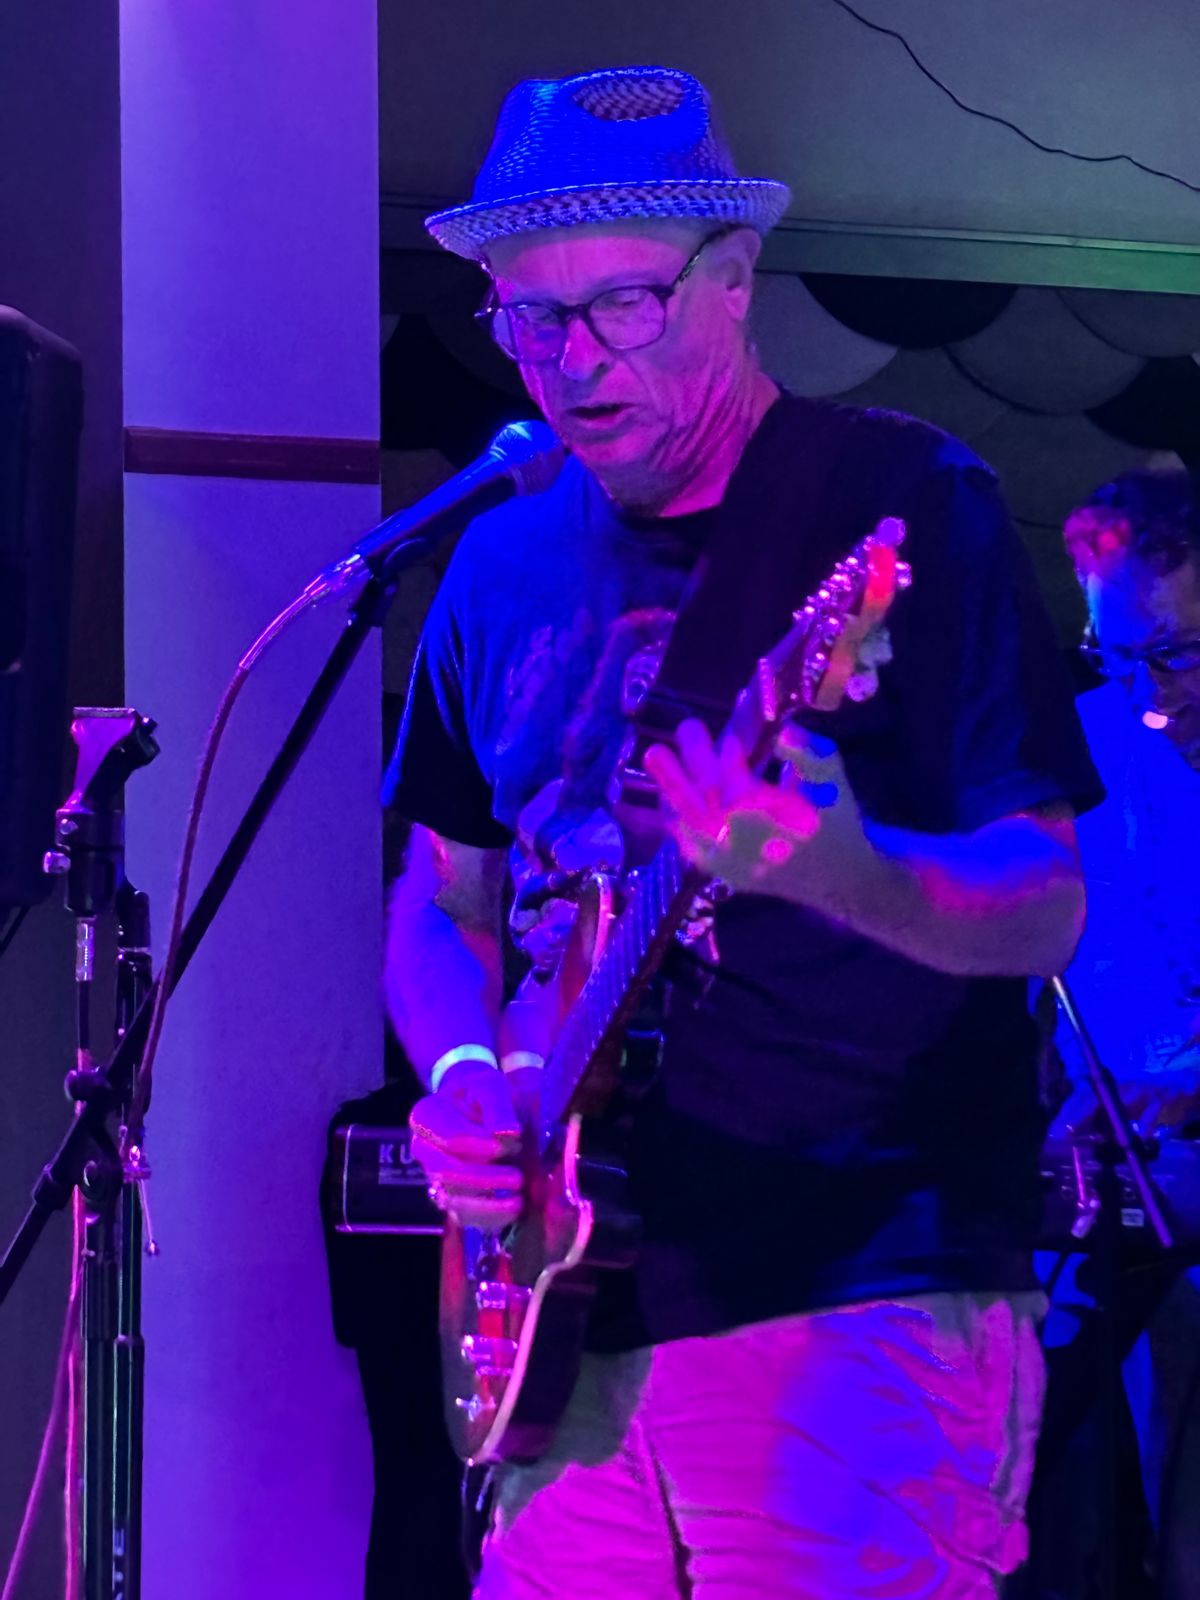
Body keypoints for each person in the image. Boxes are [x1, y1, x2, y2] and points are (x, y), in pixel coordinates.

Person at [382, 64, 1100, 1598]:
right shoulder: (496, 566)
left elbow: (1044, 902)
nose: (574, 361)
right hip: (566, 1314)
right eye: (529, 319)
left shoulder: (902, 505)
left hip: (849, 1288)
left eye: (624, 304)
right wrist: (464, 1075)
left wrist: (842, 869)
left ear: (734, 280)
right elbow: (443, 899)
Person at [1029, 468, 1200, 1599]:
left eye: (1176, 656)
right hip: (1110, 1165)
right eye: (1118, 658)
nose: (1149, 698)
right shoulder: (1078, 752)